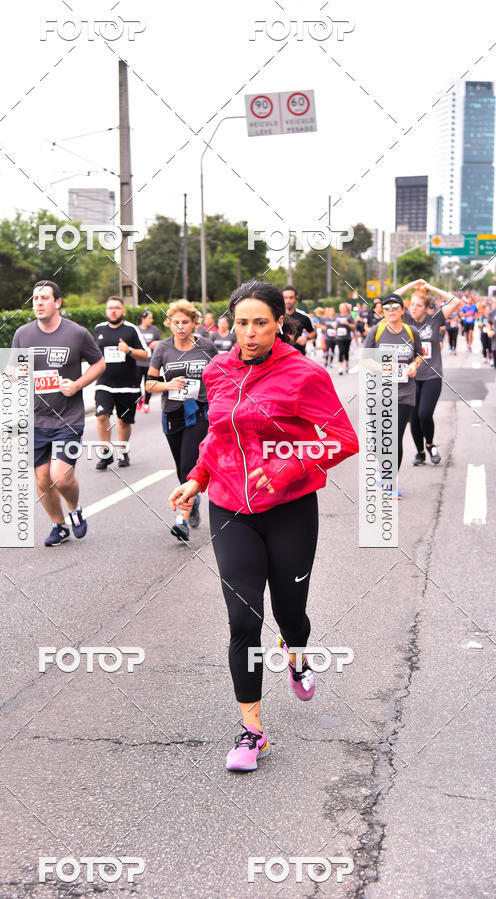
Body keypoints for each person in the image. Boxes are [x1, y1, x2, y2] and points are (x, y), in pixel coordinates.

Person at [168, 281, 358, 772]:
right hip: (230, 507)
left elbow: (343, 439)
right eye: (241, 322)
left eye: (260, 322)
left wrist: (284, 466)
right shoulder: (217, 371)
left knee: (291, 614)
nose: (249, 333)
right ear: (230, 323)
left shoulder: (304, 375)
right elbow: (217, 434)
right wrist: (196, 479)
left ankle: (296, 655)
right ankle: (252, 732)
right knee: (243, 621)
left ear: (279, 323)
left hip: (289, 509)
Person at [11, 280, 105, 546]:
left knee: (60, 478)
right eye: (35, 299)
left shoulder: (77, 334)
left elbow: (99, 363)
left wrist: (77, 384)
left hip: (68, 418)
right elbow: (12, 370)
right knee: (42, 479)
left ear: (58, 302)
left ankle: (74, 509)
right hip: (35, 419)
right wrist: (18, 373)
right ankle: (58, 525)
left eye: (44, 298)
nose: (38, 303)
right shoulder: (22, 334)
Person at [147, 300, 217, 541]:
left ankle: (182, 521)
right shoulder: (163, 349)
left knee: (188, 464)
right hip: (172, 413)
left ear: (194, 323)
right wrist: (168, 384)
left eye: (185, 322)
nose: (180, 327)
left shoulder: (205, 345)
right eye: (175, 322)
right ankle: (193, 497)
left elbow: (221, 373)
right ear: (169, 324)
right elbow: (149, 383)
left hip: (199, 412)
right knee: (181, 468)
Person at [363, 294, 423, 492]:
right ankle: (383, 467)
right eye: (387, 307)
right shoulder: (377, 331)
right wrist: (382, 368)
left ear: (402, 310)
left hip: (404, 394)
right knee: (378, 440)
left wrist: (414, 365)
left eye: (395, 306)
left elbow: (419, 355)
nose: (391, 310)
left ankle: (390, 480)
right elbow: (366, 360)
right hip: (379, 394)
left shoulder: (411, 331)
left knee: (394, 438)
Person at [93, 297, 149, 470]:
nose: (113, 311)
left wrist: (129, 350)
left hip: (128, 385)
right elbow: (92, 352)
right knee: (102, 416)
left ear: (123, 311)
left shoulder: (131, 330)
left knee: (124, 421)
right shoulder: (99, 329)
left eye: (117, 308)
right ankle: (106, 452)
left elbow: (146, 353)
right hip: (104, 382)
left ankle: (123, 451)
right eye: (110, 308)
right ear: (106, 311)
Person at [404, 283, 457, 465]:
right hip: (410, 377)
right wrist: (412, 285)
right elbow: (390, 298)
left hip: (432, 376)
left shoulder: (435, 319)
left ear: (426, 308)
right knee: (413, 418)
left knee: (424, 414)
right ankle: (420, 453)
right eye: (412, 304)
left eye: (418, 306)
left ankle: (430, 444)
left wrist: (431, 287)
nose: (414, 309)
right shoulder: (404, 320)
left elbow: (455, 301)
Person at [135, 309, 161, 414]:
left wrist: (156, 342)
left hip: (150, 362)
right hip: (137, 362)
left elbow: (160, 342)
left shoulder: (154, 329)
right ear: (143, 319)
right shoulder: (136, 329)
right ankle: (139, 399)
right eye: (149, 318)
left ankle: (146, 403)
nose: (151, 320)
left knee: (148, 384)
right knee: (136, 384)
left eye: (152, 318)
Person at [282, 285, 314, 355]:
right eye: (285, 298)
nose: (288, 301)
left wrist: (306, 338)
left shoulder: (303, 316)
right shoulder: (276, 316)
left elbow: (313, 333)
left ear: (296, 297)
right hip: (280, 357)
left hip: (298, 356)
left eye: (291, 297)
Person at [334, 302, 355, 375]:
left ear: (346, 308)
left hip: (347, 337)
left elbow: (353, 326)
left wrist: (347, 324)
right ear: (339, 308)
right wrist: (335, 326)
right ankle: (340, 368)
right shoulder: (337, 316)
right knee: (341, 351)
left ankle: (346, 364)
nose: (342, 309)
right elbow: (335, 324)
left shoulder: (349, 316)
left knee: (346, 351)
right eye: (341, 307)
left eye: (343, 307)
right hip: (339, 337)